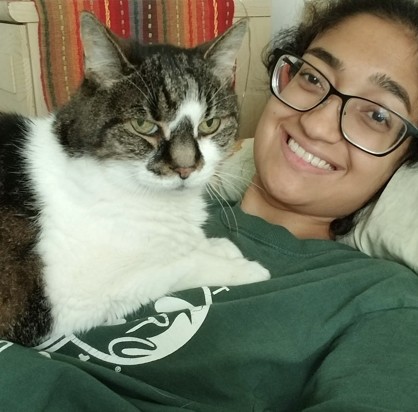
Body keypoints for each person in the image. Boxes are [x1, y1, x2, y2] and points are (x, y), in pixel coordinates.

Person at [2, 0, 418, 410]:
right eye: (312, 77)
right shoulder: (102, 189)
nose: (318, 123)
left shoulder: (383, 301)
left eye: (377, 115)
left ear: (406, 159)